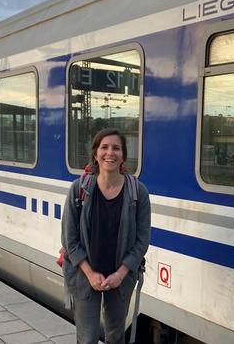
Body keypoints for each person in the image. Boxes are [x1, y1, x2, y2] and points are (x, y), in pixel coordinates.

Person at [61, 128, 151, 344]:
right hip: (84, 274)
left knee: (116, 335)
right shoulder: (79, 189)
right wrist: (90, 274)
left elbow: (142, 240)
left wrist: (121, 273)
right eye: (104, 147)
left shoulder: (138, 193)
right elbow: (69, 239)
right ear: (95, 153)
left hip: (120, 276)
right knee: (87, 337)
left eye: (116, 148)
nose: (110, 153)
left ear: (123, 155)